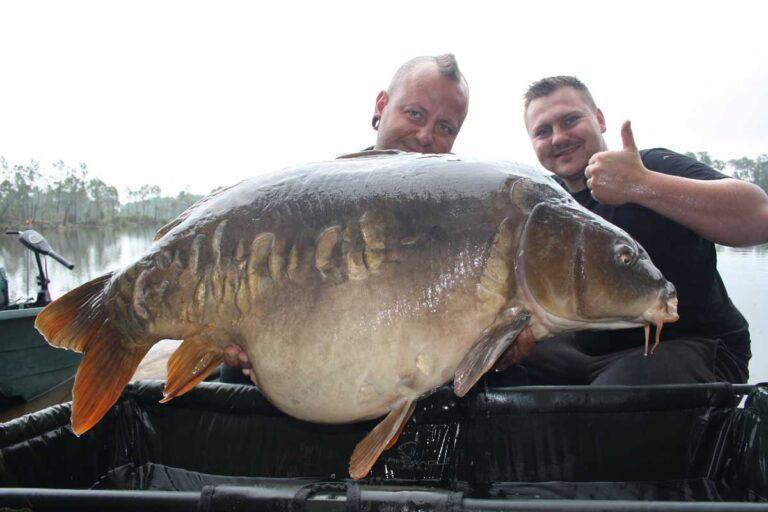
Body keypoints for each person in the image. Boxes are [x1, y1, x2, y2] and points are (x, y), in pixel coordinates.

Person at [220, 54, 470, 382]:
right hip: (304, 375)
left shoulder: (457, 224)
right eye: (414, 114)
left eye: (444, 127)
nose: (425, 136)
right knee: (233, 373)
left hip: (392, 380)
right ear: (382, 105)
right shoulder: (316, 204)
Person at [511, 75, 768, 385]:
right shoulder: (540, 200)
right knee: (496, 363)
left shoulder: (651, 166)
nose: (558, 137)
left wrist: (641, 185)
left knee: (620, 389)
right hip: (589, 355)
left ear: (600, 120)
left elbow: (759, 217)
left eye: (570, 120)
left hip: (693, 345)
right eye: (543, 131)